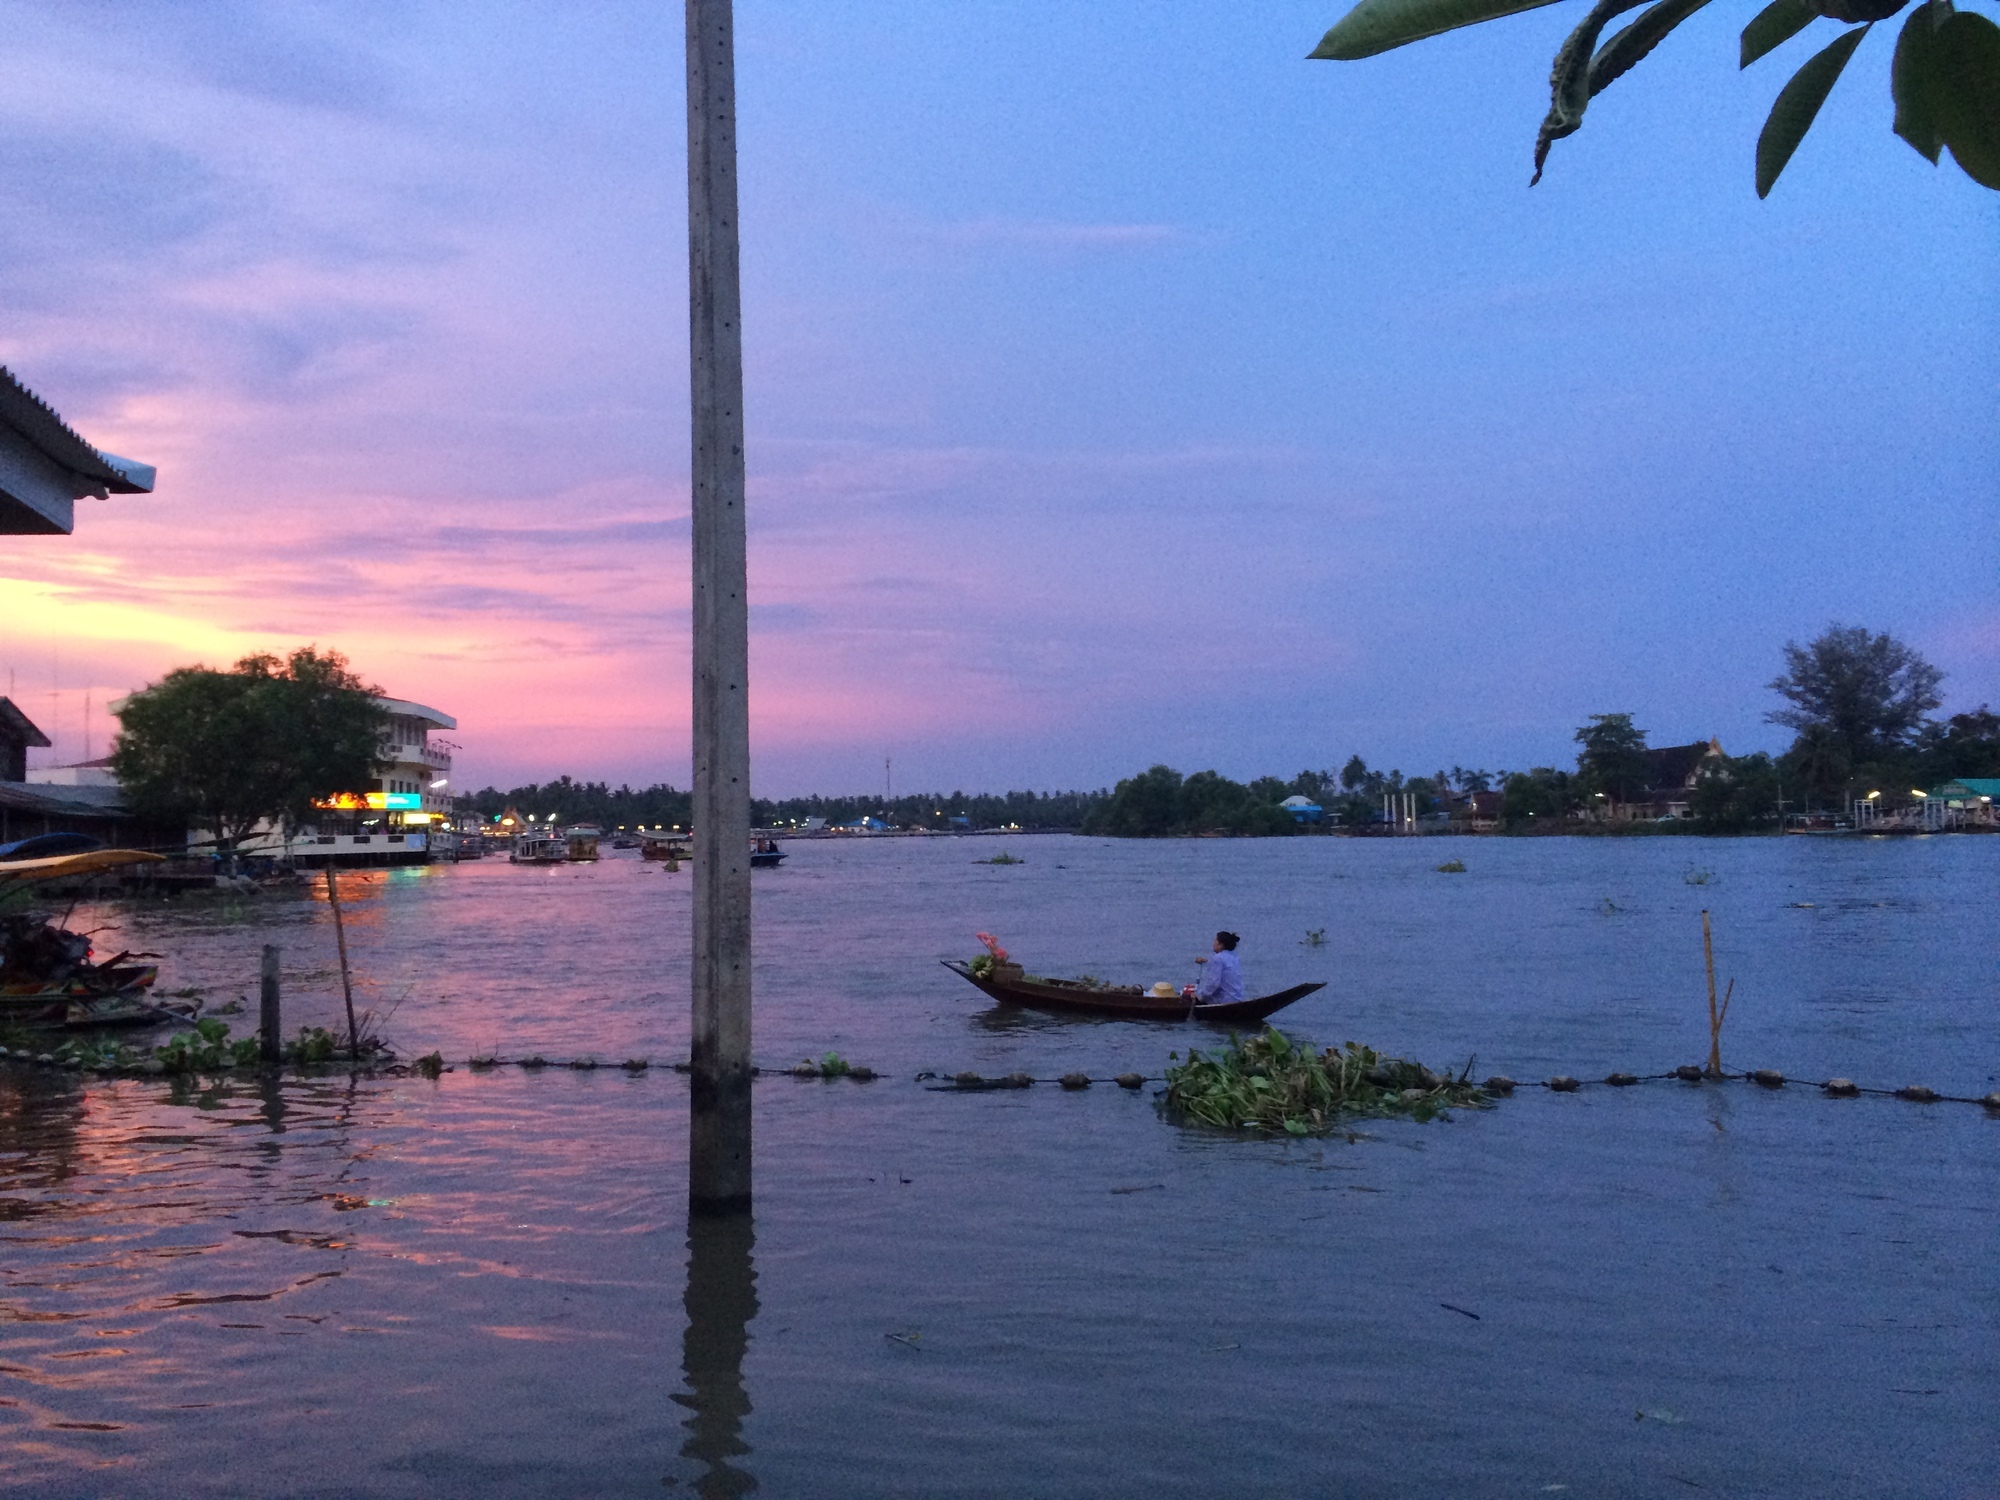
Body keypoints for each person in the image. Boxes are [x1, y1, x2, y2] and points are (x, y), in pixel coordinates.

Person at [1193, 930, 1244, 1005]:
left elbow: (1213, 983)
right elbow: (1224, 964)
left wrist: (1199, 995)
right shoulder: (1234, 956)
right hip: (1237, 998)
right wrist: (1205, 960)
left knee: (1187, 997)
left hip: (1224, 1000)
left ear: (1220, 945)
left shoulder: (1217, 958)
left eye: (1215, 942)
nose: (1213, 945)